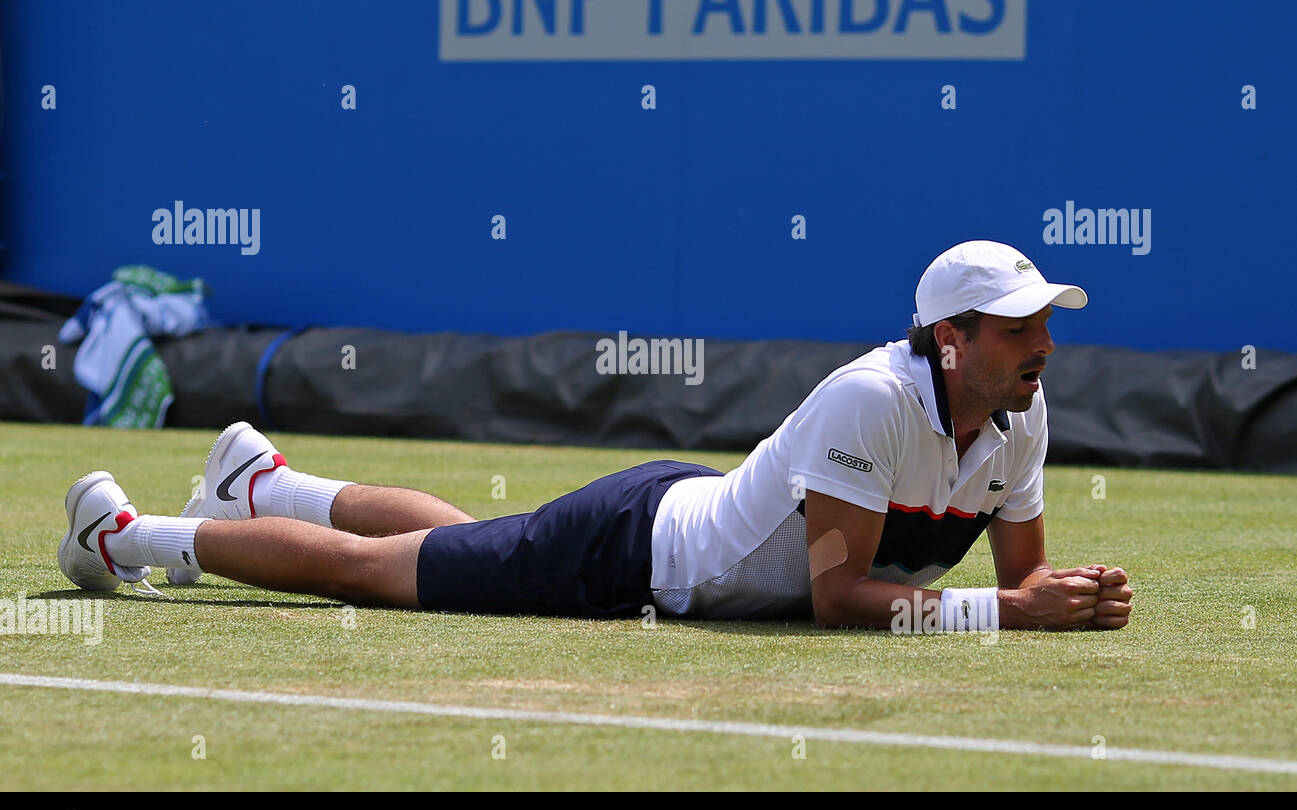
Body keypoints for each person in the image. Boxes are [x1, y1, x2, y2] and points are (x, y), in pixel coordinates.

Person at [57, 240, 1133, 632]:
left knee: (480, 545)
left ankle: (261, 479)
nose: (1043, 341)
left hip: (663, 527)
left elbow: (1026, 581)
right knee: (381, 576)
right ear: (949, 339)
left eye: (1046, 322)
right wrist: (1012, 613)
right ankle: (129, 536)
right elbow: (837, 599)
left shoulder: (1018, 412)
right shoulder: (871, 402)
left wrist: (1062, 600)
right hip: (633, 548)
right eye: (1018, 324)